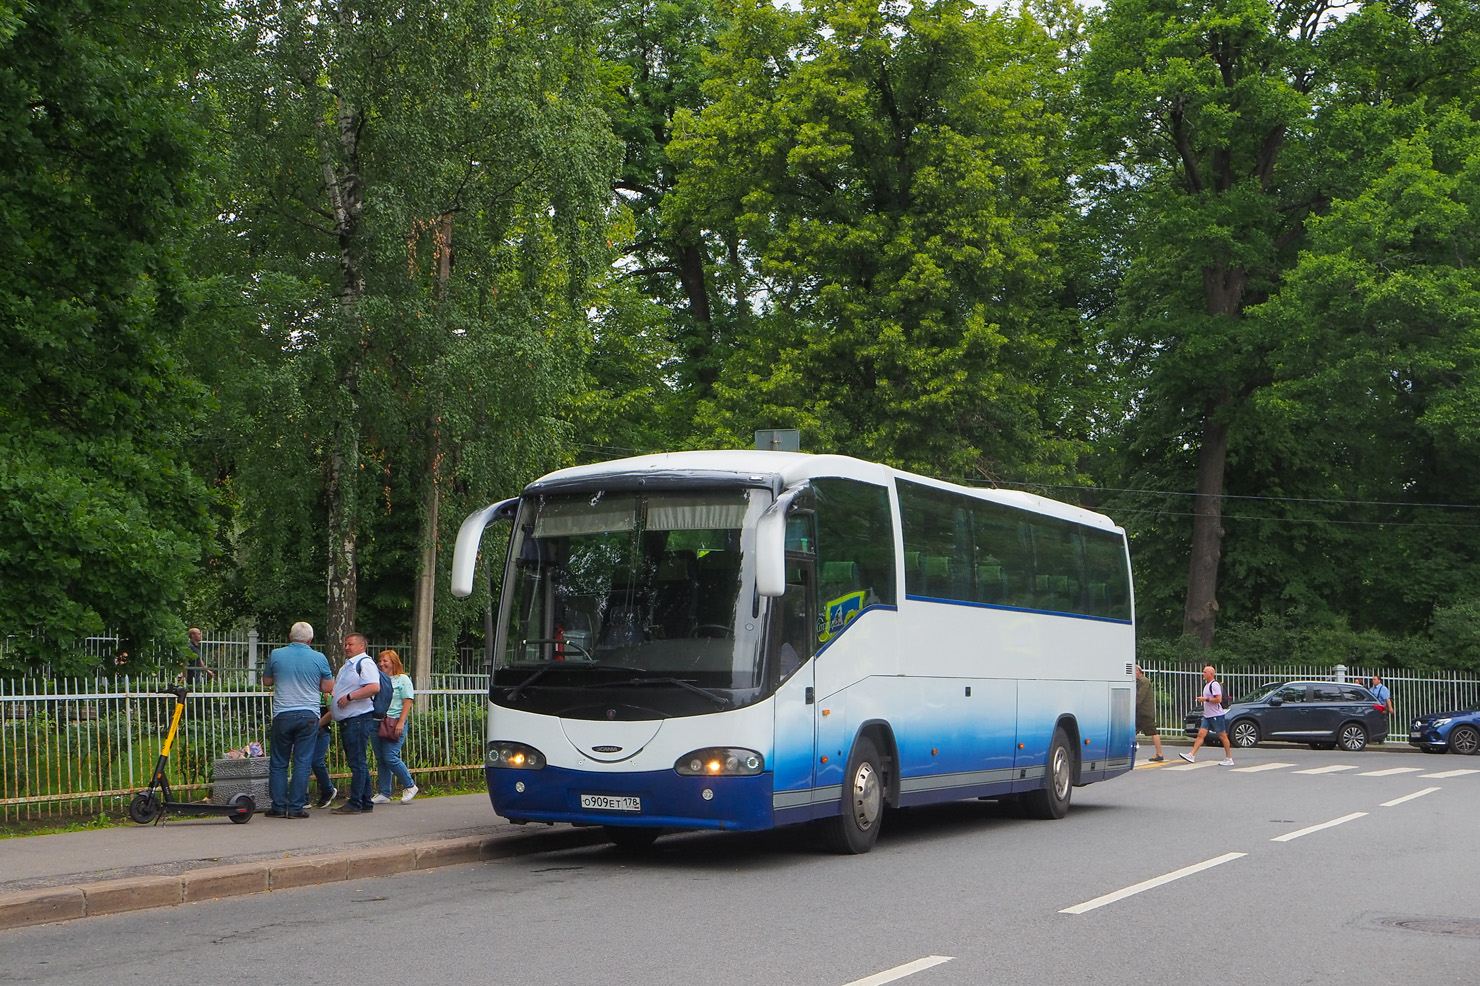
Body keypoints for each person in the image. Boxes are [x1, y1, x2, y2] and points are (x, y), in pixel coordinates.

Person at [261, 622, 333, 818]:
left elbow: (267, 681)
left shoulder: (276, 655)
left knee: (279, 762)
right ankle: (295, 808)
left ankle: (277, 807)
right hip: (308, 714)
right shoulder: (319, 658)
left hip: (283, 713)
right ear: (310, 640)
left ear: (290, 637)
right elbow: (328, 687)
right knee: (302, 761)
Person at [328, 632, 381, 814]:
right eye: (346, 644)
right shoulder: (347, 666)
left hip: (358, 719)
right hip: (350, 720)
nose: (347, 647)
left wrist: (350, 697)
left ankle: (355, 802)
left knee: (357, 763)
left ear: (361, 646)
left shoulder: (364, 663)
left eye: (350, 644)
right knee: (359, 762)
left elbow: (374, 687)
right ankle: (365, 801)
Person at [370, 649, 419, 804]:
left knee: (390, 756)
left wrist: (401, 722)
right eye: (380, 661)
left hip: (394, 722)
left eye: (385, 661)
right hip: (377, 721)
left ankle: (410, 785)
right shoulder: (378, 679)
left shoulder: (402, 679)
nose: (382, 664)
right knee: (381, 759)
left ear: (394, 662)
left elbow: (408, 701)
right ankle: (384, 793)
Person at [1180, 664, 1234, 765]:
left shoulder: (1214, 685)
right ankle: (1192, 755)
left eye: (1205, 672)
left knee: (1222, 736)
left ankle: (1229, 758)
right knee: (1201, 734)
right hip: (1208, 715)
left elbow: (1218, 699)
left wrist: (1205, 699)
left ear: (1211, 674)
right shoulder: (1207, 685)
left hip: (1216, 715)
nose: (1203, 674)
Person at [310, 690, 337, 809]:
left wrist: (317, 725)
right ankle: (302, 798)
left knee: (316, 761)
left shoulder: (327, 693)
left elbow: (332, 712)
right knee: (302, 762)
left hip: (322, 731)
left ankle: (328, 790)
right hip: (307, 731)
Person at [1135, 665, 1164, 762]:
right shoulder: (1139, 681)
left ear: (1137, 671)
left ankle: (1159, 754)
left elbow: (1140, 697)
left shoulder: (1143, 681)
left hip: (1145, 712)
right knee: (1131, 732)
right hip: (1140, 712)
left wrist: (1133, 705)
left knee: (1153, 732)